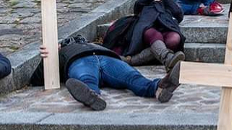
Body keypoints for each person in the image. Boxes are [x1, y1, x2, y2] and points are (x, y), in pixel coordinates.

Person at [36, 35, 180, 110]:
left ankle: (160, 88)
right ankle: (92, 97)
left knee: (132, 76)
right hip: (79, 60)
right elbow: (37, 77)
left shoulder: (97, 45)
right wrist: (47, 57)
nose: (76, 40)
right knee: (86, 78)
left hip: (108, 58)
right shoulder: (62, 52)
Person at [119, 0, 186, 72]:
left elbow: (178, 14)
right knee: (154, 34)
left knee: (175, 38)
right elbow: (138, 5)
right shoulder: (145, 1)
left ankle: (132, 60)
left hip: (165, 27)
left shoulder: (165, 1)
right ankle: (168, 58)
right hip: (147, 28)